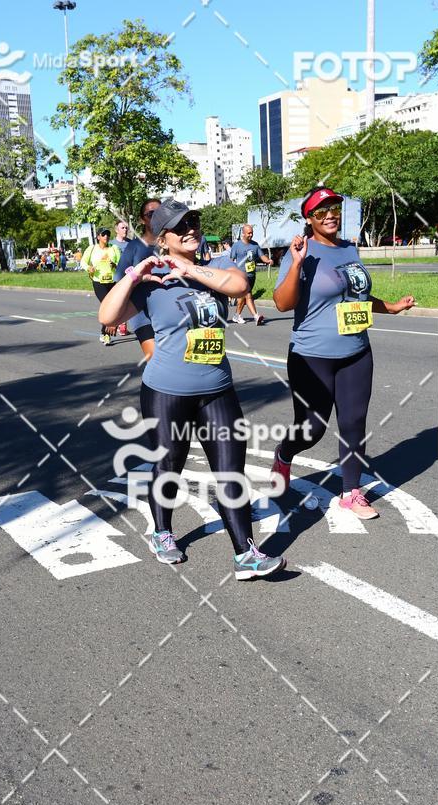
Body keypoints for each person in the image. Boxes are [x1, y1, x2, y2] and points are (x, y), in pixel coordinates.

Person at [99, 199, 287, 580]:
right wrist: (134, 276)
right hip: (166, 392)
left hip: (217, 389)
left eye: (193, 222)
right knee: (169, 465)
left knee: (230, 470)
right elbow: (107, 316)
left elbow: (240, 285)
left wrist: (190, 268)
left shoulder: (215, 265)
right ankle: (162, 532)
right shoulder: (151, 279)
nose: (190, 230)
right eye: (180, 226)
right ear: (162, 237)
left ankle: (245, 554)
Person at [270, 187, 416, 519]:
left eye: (334, 208)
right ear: (309, 219)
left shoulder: (350, 249)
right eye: (321, 212)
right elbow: (282, 303)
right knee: (312, 428)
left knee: (353, 422)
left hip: (356, 350)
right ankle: (285, 453)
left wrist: (392, 307)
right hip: (311, 355)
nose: (330, 215)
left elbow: (358, 296)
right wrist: (295, 264)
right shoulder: (302, 251)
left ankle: (351, 492)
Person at [115, 198, 162, 359]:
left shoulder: (172, 244)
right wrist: (139, 278)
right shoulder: (134, 246)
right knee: (154, 358)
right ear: (142, 219)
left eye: (160, 213)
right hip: (141, 311)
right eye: (151, 214)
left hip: (168, 309)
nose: (156, 217)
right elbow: (119, 278)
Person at [81, 228, 122, 346]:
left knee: (113, 307)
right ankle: (106, 334)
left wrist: (115, 265)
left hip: (113, 282)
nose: (106, 236)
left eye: (108, 234)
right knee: (108, 306)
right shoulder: (92, 249)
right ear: (98, 237)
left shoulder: (114, 248)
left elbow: (121, 263)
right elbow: (83, 262)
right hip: (99, 282)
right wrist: (89, 268)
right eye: (103, 234)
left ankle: (105, 333)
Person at [230, 225, 273, 325]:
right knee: (248, 295)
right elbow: (231, 260)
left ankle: (237, 315)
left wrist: (268, 261)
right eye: (249, 233)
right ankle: (256, 316)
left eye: (252, 233)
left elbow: (262, 256)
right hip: (241, 275)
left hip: (251, 275)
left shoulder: (255, 245)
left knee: (244, 296)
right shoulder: (237, 245)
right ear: (243, 233)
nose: (251, 235)